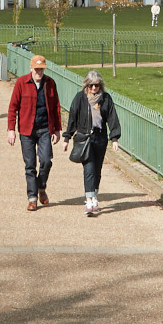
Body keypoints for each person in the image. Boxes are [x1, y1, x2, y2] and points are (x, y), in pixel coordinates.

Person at [63, 70, 122, 216]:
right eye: (91, 86)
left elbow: (112, 118)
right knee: (89, 168)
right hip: (85, 138)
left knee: (97, 169)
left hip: (100, 138)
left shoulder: (106, 98)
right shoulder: (80, 98)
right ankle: (89, 200)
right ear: (86, 85)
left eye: (97, 85)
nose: (94, 88)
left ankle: (94, 194)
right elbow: (73, 117)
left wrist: (114, 138)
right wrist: (67, 137)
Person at [8, 55, 63, 209]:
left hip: (45, 128)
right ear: (31, 68)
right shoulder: (21, 83)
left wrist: (57, 129)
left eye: (41, 69)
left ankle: (41, 187)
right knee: (30, 165)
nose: (39, 72)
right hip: (27, 130)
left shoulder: (50, 83)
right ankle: (32, 198)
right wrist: (11, 129)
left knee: (46, 161)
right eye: (37, 69)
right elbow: (13, 107)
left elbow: (56, 107)